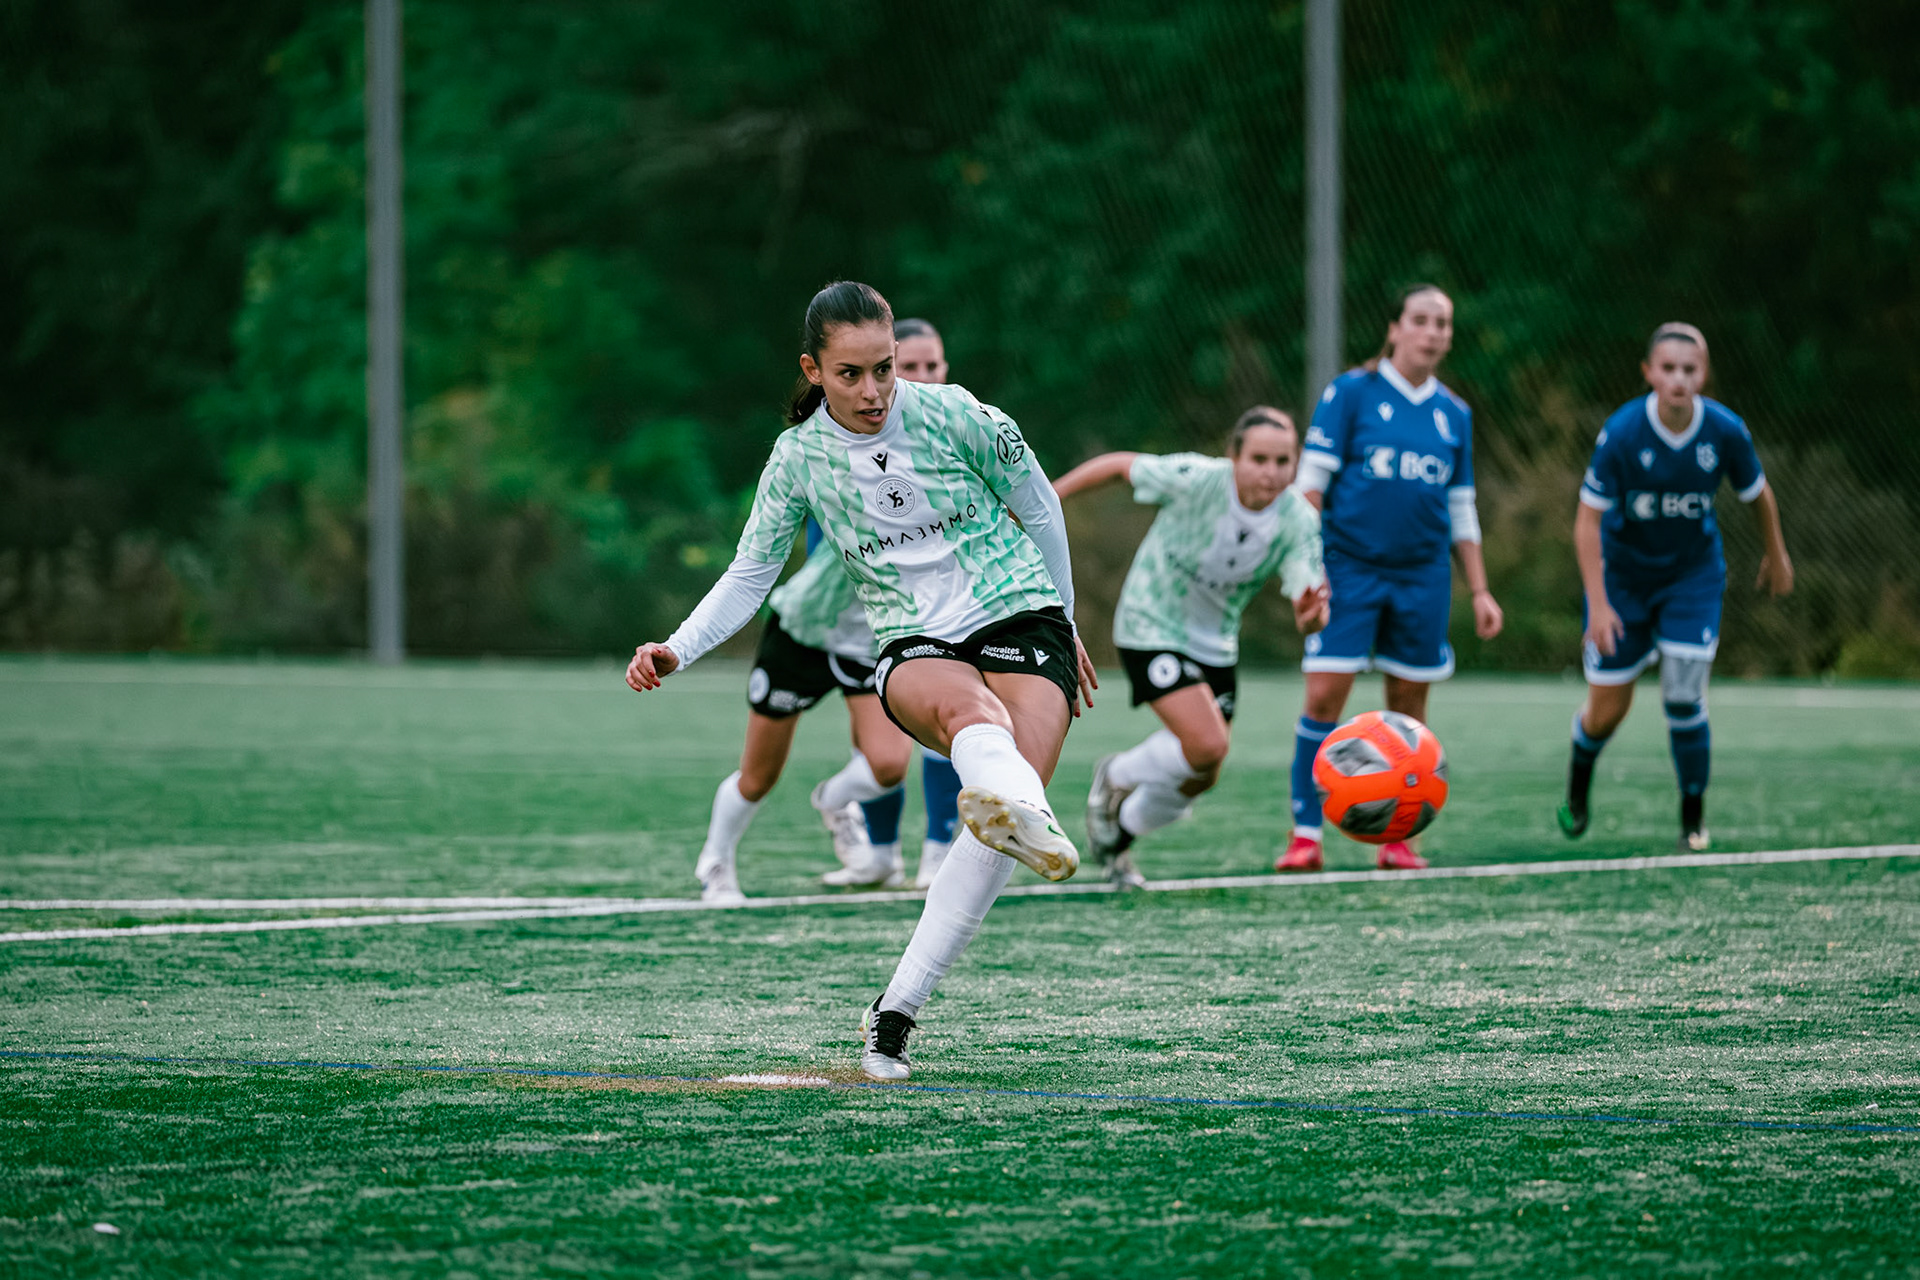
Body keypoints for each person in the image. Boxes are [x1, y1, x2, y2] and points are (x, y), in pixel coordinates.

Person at [627, 281, 1096, 1081]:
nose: (874, 390)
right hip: (915, 638)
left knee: (1005, 818)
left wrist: (1070, 620)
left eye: (884, 369)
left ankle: (895, 1013)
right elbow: (750, 574)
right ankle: (1002, 792)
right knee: (976, 727)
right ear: (813, 369)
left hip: (1023, 611)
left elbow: (1042, 508)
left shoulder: (961, 415)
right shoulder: (798, 458)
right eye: (851, 374)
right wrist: (678, 646)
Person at [1278, 284, 1504, 873]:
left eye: (1443, 324)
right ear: (1395, 328)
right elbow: (1309, 489)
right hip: (1348, 570)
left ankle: (1398, 836)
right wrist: (1308, 569)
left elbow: (1461, 508)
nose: (1434, 333)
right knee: (1326, 693)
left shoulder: (1454, 413)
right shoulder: (1351, 393)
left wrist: (1479, 589)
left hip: (1422, 577)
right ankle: (1306, 834)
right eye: (1422, 320)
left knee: (1408, 707)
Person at [1052, 408, 1329, 885]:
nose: (1270, 472)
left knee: (1205, 769)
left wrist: (1312, 614)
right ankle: (1116, 775)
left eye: (1283, 461)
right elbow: (1121, 465)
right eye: (1259, 458)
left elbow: (1310, 604)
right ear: (1234, 458)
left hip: (1215, 643)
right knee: (1207, 742)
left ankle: (1120, 831)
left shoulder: (1297, 520)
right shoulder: (1197, 480)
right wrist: (1049, 498)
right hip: (1151, 623)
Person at [1558, 322, 1792, 851]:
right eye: (1668, 369)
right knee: (1606, 711)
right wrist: (1598, 604)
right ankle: (1578, 779)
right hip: (1623, 581)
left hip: (1692, 577)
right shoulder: (1621, 433)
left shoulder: (1726, 431)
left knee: (1684, 694)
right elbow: (1586, 523)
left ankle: (1692, 817)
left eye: (1689, 369)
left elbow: (1758, 494)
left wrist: (1775, 553)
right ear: (1648, 374)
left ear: (1704, 375)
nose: (1679, 379)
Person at [886, 318, 967, 889]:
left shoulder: (967, 423)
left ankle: (946, 844)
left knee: (967, 723)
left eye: (930, 365)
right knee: (886, 751)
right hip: (887, 613)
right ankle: (894, 846)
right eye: (906, 366)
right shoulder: (853, 442)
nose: (921, 377)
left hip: (973, 602)